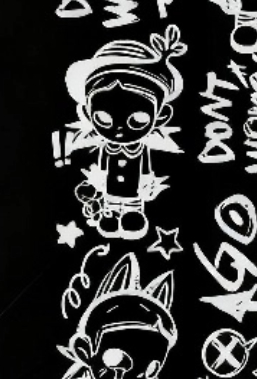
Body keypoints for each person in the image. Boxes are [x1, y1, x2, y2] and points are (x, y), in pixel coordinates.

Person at [65, 25, 186, 240]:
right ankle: (110, 214)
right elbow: (101, 168)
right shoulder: (105, 148)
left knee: (132, 209)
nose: (119, 130)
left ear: (161, 116)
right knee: (110, 207)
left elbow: (146, 170)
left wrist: (146, 185)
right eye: (103, 119)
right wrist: (94, 187)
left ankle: (132, 215)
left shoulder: (141, 149)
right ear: (86, 113)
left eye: (138, 120)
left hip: (133, 191)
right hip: (109, 191)